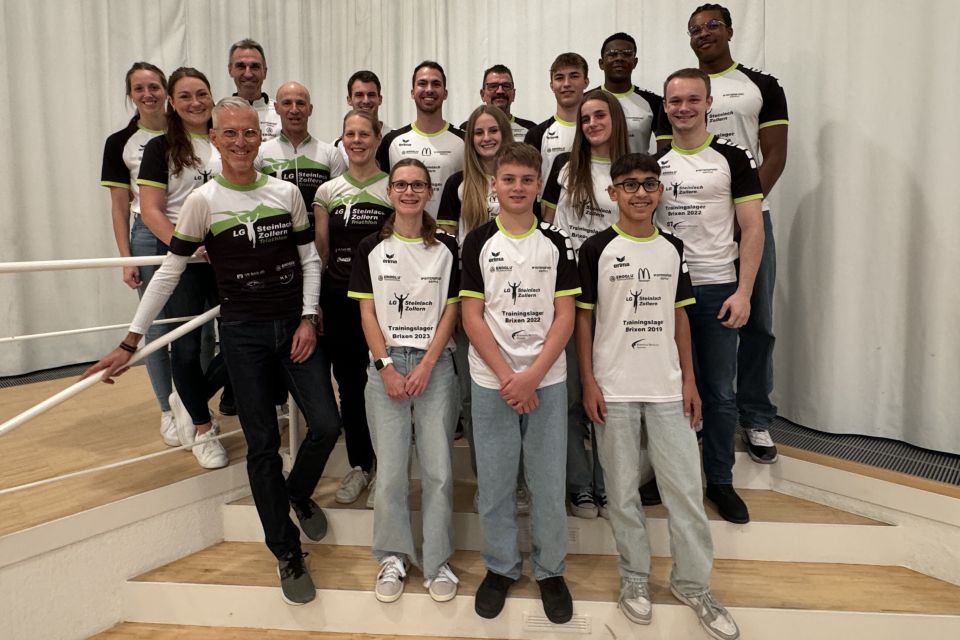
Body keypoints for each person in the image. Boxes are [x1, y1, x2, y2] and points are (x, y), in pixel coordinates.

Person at [84, 97, 341, 607]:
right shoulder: (203, 202)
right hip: (243, 335)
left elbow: (310, 261)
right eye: (231, 134)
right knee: (262, 446)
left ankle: (294, 493)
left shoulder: (286, 192)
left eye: (249, 133)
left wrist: (309, 317)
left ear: (259, 138)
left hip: (294, 329)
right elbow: (170, 273)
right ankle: (286, 551)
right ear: (216, 140)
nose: (241, 142)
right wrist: (130, 340)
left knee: (327, 426)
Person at [576, 152, 739, 640]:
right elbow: (584, 319)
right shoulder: (596, 249)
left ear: (660, 191)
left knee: (685, 492)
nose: (641, 193)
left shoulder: (672, 246)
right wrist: (588, 381)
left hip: (667, 388)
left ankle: (693, 584)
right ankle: (634, 578)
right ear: (613, 193)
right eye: (629, 184)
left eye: (649, 184)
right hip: (614, 388)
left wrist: (689, 380)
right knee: (622, 493)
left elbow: (681, 315)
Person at [460, 142, 580, 624]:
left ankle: (551, 571)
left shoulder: (556, 241)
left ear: (538, 185)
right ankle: (501, 567)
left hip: (546, 379)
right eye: (508, 179)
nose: (517, 187)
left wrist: (532, 376)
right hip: (492, 381)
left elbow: (565, 315)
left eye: (527, 180)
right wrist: (509, 376)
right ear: (494, 185)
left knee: (548, 483)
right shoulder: (477, 241)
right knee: (495, 482)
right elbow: (471, 316)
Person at [347, 158, 461, 604]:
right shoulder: (370, 247)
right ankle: (392, 557)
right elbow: (366, 312)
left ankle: (437, 561)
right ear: (389, 191)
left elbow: (452, 310)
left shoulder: (447, 247)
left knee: (439, 472)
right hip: (387, 368)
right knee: (391, 473)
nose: (409, 192)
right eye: (401, 185)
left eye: (417, 185)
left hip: (436, 366)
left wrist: (428, 364)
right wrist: (386, 367)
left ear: (429, 192)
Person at [654, 68, 764, 524]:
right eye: (675, 101)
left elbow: (753, 227)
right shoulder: (654, 163)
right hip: (665, 292)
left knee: (719, 391)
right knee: (670, 388)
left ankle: (719, 479)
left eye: (692, 100)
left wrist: (744, 291)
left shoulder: (733, 157)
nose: (684, 108)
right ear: (665, 107)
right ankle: (671, 474)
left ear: (708, 103)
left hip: (718, 287)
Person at [688, 3, 789, 465]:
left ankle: (756, 415)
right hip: (695, 227)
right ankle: (699, 415)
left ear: (730, 30)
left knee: (756, 320)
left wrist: (740, 211)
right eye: (695, 29)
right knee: (695, 322)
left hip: (750, 221)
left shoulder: (761, 86)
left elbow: (775, 157)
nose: (704, 33)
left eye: (713, 25)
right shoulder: (683, 90)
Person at [541, 89, 629, 520]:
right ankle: (579, 485)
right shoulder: (564, 165)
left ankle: (608, 484)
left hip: (614, 294)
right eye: (586, 118)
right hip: (568, 294)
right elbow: (547, 225)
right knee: (573, 394)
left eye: (600, 116)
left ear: (616, 119)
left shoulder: (629, 167)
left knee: (609, 395)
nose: (592, 123)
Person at [137, 67, 229, 469]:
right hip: (184, 259)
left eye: (202, 94)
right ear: (172, 103)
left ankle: (189, 397)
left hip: (226, 257)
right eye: (186, 96)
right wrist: (187, 246)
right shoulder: (160, 148)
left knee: (240, 341)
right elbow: (151, 210)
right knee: (187, 346)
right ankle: (204, 429)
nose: (196, 102)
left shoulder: (224, 139)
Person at [437, 104, 524, 511]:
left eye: (493, 130)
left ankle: (521, 481)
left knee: (518, 389)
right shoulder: (458, 184)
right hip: (472, 302)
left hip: (518, 301)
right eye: (478, 132)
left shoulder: (520, 180)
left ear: (505, 133)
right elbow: (443, 252)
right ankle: (487, 479)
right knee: (475, 399)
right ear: (469, 140)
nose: (486, 138)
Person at [313, 110, 393, 506]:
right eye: (350, 134)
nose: (357, 140)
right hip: (339, 298)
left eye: (365, 134)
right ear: (342, 140)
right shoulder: (328, 191)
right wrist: (315, 304)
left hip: (384, 302)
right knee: (349, 385)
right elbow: (321, 252)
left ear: (377, 138)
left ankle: (387, 469)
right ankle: (361, 464)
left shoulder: (392, 187)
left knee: (385, 383)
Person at [100, 62, 176, 445]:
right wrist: (126, 257)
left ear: (166, 90)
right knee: (157, 326)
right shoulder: (120, 142)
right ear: (130, 95)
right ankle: (167, 410)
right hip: (146, 233)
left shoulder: (189, 131)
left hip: (193, 230)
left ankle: (190, 403)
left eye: (154, 87)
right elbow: (119, 205)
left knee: (201, 327)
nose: (148, 94)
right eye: (139, 88)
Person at [377, 61, 464, 219]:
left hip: (451, 231)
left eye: (436, 84)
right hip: (402, 231)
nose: (429, 89)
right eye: (422, 83)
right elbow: (382, 194)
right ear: (412, 92)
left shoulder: (464, 140)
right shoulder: (391, 141)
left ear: (445, 93)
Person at [257, 81, 346, 228]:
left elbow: (338, 205)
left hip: (318, 237)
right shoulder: (260, 152)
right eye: (287, 103)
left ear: (310, 109)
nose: (294, 110)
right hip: (276, 237)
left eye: (300, 103)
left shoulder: (331, 153)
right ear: (276, 108)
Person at [593, 32, 670, 153]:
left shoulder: (655, 102)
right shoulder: (586, 100)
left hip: (638, 166)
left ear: (635, 62)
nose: (619, 58)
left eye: (627, 54)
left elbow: (665, 152)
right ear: (601, 63)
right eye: (612, 54)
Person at [524, 53, 590, 191]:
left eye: (574, 76)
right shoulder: (536, 135)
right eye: (559, 78)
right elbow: (527, 182)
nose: (566, 84)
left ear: (586, 82)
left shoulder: (598, 130)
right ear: (552, 85)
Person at [459, 65, 537, 141]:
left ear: (513, 94)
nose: (500, 91)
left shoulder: (531, 130)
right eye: (493, 86)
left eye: (506, 86)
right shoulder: (467, 129)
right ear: (482, 94)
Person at [334, 70, 392, 165]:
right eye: (359, 95)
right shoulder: (337, 147)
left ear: (380, 99)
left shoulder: (397, 139)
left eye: (371, 95)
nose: (366, 101)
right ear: (349, 100)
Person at [228, 38, 280, 140]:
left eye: (255, 66)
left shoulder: (281, 114)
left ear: (264, 72)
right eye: (241, 66)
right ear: (230, 70)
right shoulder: (217, 113)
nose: (248, 74)